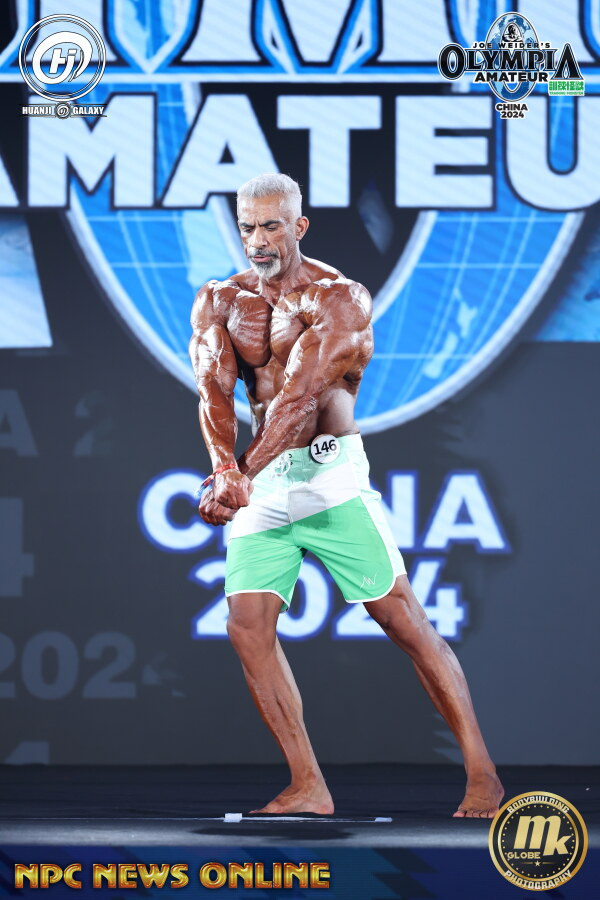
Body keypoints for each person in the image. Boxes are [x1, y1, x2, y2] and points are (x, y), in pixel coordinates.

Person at [189, 173, 504, 818]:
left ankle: (483, 773)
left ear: (298, 227)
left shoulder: (339, 298)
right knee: (246, 627)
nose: (258, 239)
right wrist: (223, 468)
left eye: (271, 226)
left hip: (328, 476)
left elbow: (301, 398)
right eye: (248, 227)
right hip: (261, 482)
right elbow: (213, 389)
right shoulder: (220, 300)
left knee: (402, 620)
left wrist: (239, 474)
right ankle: (308, 785)